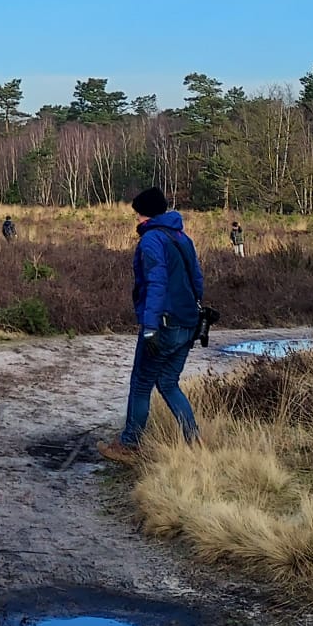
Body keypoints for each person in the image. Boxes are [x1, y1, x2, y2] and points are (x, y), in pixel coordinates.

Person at [99, 187, 204, 465]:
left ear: (144, 213)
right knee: (168, 382)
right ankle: (194, 440)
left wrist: (149, 326)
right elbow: (197, 281)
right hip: (188, 323)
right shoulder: (183, 237)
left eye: (137, 213)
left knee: (141, 382)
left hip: (163, 324)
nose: (136, 219)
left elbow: (155, 283)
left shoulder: (151, 241)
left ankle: (130, 443)